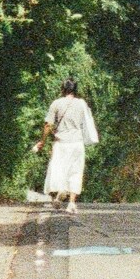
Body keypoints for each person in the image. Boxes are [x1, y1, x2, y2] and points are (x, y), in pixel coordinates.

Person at [38, 78, 99, 212]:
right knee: (76, 171)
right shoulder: (82, 104)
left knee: (59, 169)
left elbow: (48, 124)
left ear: (63, 89)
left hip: (61, 143)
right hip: (77, 143)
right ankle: (71, 203)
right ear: (75, 90)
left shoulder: (56, 103)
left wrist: (42, 141)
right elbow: (87, 121)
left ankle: (60, 191)